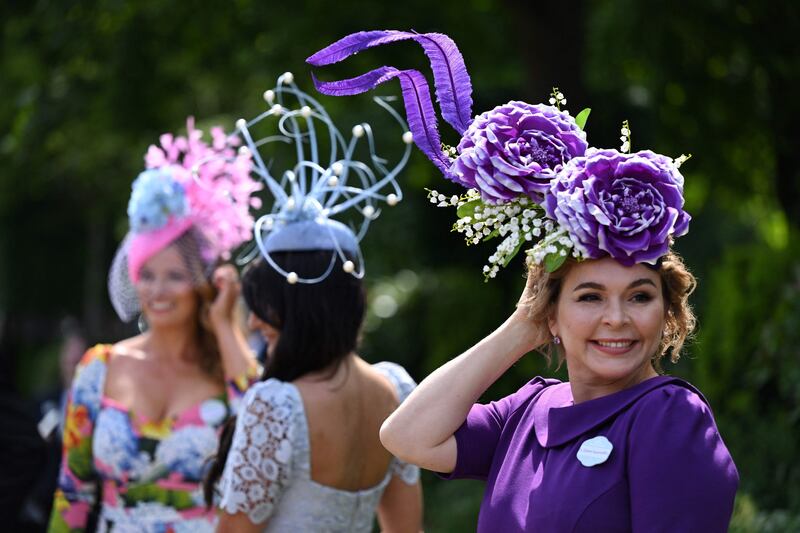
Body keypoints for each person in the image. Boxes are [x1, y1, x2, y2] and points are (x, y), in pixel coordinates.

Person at [310, 30, 739, 531]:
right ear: (550, 311)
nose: (616, 318)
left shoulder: (668, 416)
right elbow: (407, 436)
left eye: (639, 296)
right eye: (589, 296)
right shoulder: (529, 408)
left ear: (667, 311)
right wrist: (522, 326)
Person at [202, 73, 423, 532]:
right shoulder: (396, 390)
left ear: (298, 309)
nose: (259, 323)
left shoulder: (275, 406)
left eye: (268, 307)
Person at [48, 118, 263, 533]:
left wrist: (224, 323)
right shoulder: (99, 369)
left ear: (203, 283)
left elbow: (263, 431)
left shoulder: (230, 369)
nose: (158, 290)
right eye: (147, 274)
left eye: (176, 276)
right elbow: (72, 492)